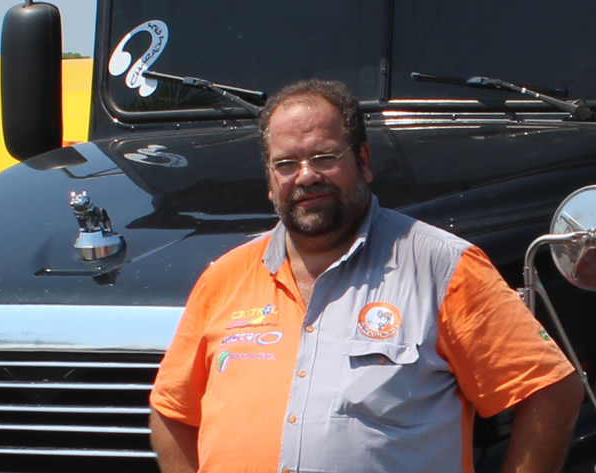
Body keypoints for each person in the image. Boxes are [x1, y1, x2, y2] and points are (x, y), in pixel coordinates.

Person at [148, 79, 584, 473]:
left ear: (363, 160)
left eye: (324, 157)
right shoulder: (223, 278)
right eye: (286, 164)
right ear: (269, 179)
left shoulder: (441, 266)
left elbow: (550, 390)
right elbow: (172, 410)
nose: (306, 176)